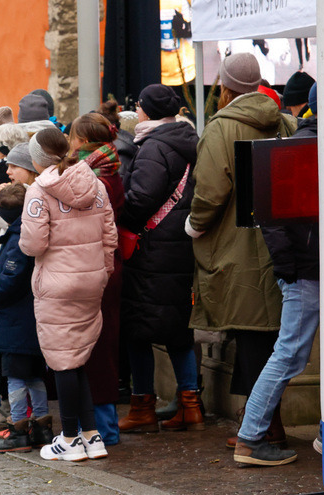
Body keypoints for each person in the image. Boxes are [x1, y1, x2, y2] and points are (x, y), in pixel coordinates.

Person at [185, 52, 297, 450]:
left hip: (237, 246)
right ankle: (266, 422)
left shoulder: (221, 127)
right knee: (269, 338)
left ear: (224, 87)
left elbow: (211, 190)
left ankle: (264, 426)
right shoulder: (283, 121)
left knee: (252, 338)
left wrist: (195, 224)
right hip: (281, 243)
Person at [233, 83, 319, 467]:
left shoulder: (288, 148)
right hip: (307, 271)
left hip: (303, 269)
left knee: (292, 354)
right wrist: (295, 270)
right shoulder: (313, 149)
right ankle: (250, 439)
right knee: (288, 355)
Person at [20, 126, 118, 461]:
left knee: (63, 360)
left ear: (37, 159)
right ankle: (92, 435)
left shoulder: (38, 190)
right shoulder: (96, 184)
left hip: (57, 283)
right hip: (92, 280)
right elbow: (110, 235)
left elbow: (33, 244)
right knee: (78, 357)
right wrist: (103, 272)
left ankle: (70, 437)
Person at [118, 84, 201, 433]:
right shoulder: (188, 139)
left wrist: (123, 216)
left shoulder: (154, 146)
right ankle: (190, 404)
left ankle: (142, 406)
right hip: (180, 244)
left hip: (151, 249)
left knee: (138, 329)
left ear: (145, 110)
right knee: (179, 329)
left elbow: (140, 197)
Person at [0, 183, 52, 452]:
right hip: (31, 318)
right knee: (34, 375)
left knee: (16, 378)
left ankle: (19, 426)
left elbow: (10, 278)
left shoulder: (18, 237)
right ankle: (41, 425)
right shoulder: (30, 231)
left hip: (14, 321)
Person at [69, 112, 125, 446]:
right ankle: (100, 425)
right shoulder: (110, 171)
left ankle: (101, 428)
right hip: (107, 267)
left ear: (82, 141)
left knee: (91, 348)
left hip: (91, 267)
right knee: (102, 346)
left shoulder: (89, 177)